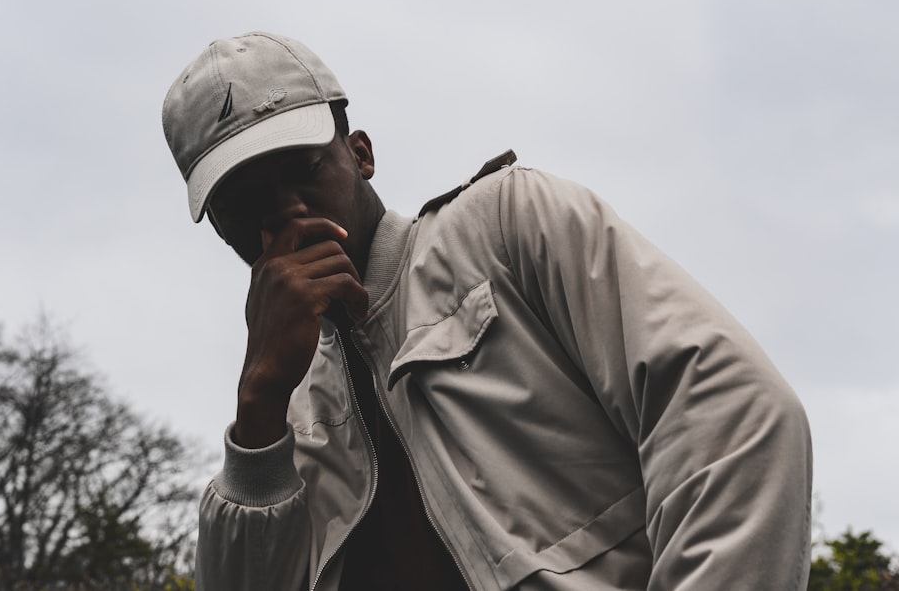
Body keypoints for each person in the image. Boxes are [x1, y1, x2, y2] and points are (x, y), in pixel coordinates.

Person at [161, 32, 813, 591]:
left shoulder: (505, 227)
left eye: (304, 169)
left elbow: (735, 419)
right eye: (242, 204)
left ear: (360, 152)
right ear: (218, 227)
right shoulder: (283, 422)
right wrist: (260, 399)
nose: (287, 212)